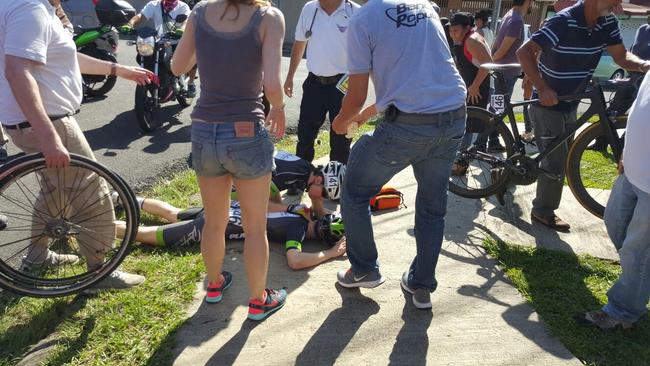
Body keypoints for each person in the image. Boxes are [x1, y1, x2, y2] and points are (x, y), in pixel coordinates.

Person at [0, 0, 153, 291]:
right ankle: (100, 270)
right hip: (47, 121)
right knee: (90, 191)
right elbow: (17, 71)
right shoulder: (28, 8)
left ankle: (37, 256)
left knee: (56, 189)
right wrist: (48, 135)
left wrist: (117, 69)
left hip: (26, 122)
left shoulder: (23, 6)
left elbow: (64, 57)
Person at [331, 0, 467, 310]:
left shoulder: (363, 20)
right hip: (455, 117)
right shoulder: (426, 7)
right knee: (434, 207)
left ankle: (364, 268)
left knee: (355, 190)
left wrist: (340, 124)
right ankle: (421, 286)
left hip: (407, 127)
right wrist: (368, 113)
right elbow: (419, 75)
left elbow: (354, 94)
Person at [171, 0, 287, 320]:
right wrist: (277, 107)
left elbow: (177, 67)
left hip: (204, 131)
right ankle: (258, 300)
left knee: (214, 220)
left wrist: (207, 49)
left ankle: (213, 284)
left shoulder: (199, 13)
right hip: (246, 131)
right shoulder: (268, 17)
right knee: (254, 227)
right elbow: (272, 85)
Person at [516, 0, 650, 232]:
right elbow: (525, 51)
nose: (618, 4)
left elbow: (621, 56)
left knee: (557, 155)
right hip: (547, 103)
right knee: (555, 163)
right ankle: (542, 211)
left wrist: (644, 65)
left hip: (571, 101)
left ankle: (506, 175)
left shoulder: (607, 22)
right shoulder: (563, 20)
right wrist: (542, 87)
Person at [578, 72, 650, 330]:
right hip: (633, 168)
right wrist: (627, 152)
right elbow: (640, 109)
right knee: (614, 221)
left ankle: (622, 312)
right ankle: (640, 281)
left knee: (637, 250)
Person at [116, 198, 347, 270]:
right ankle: (98, 225)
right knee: (148, 235)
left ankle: (122, 197)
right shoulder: (297, 231)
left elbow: (269, 205)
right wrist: (330, 253)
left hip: (224, 209)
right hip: (217, 225)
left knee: (173, 212)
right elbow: (294, 261)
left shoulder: (299, 211)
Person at [284, 0, 361, 165]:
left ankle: (337, 179)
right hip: (314, 84)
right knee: (305, 134)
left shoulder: (355, 12)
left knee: (342, 136)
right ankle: (301, 176)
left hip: (343, 85)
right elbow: (299, 42)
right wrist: (290, 75)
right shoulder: (309, 9)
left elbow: (365, 50)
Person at [123, 0, 198, 97]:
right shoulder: (154, 5)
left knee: (190, 58)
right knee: (146, 58)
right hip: (159, 41)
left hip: (178, 40)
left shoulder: (183, 6)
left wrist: (181, 29)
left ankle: (191, 83)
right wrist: (130, 24)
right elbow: (141, 16)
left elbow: (185, 21)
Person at [448, 12, 492, 175]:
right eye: (451, 30)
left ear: (467, 28)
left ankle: (461, 163)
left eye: (456, 30)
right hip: (469, 86)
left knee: (468, 125)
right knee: (467, 124)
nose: (453, 34)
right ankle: (461, 160)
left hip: (476, 88)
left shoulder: (472, 40)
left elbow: (488, 63)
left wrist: (474, 86)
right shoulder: (465, 38)